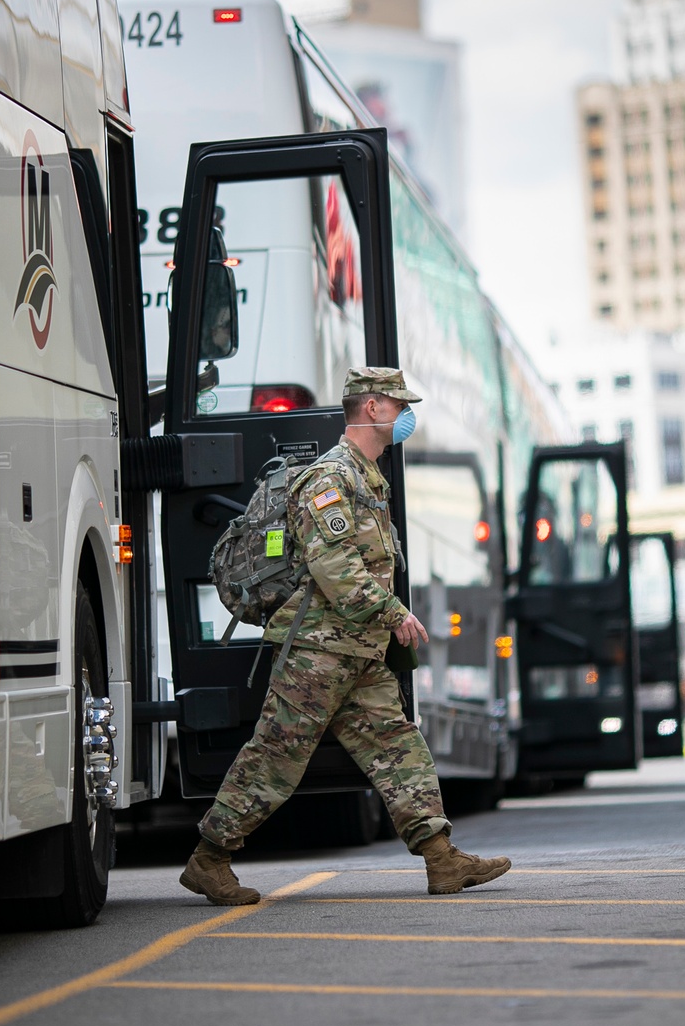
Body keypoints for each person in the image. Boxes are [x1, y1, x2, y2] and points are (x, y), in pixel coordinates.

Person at [180, 366, 512, 905]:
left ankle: (441, 859)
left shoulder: (368, 477)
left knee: (400, 746)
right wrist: (392, 612)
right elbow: (332, 563)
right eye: (397, 405)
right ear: (372, 409)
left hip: (355, 651)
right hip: (317, 652)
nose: (405, 415)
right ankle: (209, 859)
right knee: (275, 757)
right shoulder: (331, 478)